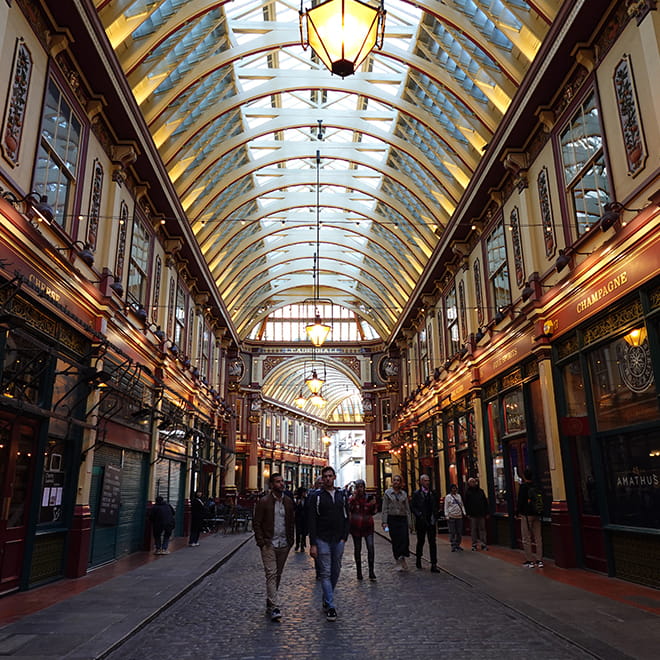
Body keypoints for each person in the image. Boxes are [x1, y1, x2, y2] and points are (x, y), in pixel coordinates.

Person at [308, 466, 349, 622]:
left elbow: (347, 517)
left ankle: (326, 597)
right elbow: (312, 520)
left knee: (336, 570)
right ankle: (331, 606)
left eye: (330, 476)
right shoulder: (316, 497)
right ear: (322, 479)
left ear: (334, 477)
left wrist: (344, 536)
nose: (327, 479)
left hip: (338, 539)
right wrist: (313, 543)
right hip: (322, 538)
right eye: (325, 476)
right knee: (325, 572)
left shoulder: (341, 495)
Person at [253, 473, 295, 622]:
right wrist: (261, 542)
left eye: (282, 481)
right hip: (269, 544)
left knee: (277, 575)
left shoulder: (289, 502)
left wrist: (291, 541)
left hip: (284, 544)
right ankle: (275, 607)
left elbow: (291, 522)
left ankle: (271, 601)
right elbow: (256, 523)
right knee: (271, 574)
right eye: (278, 482)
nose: (281, 484)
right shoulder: (264, 502)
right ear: (271, 485)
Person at [381, 474, 413, 571]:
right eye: (394, 480)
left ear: (400, 482)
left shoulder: (404, 494)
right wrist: (384, 522)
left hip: (402, 518)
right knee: (395, 540)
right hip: (392, 519)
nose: (396, 482)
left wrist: (410, 523)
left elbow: (407, 509)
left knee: (404, 539)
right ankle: (398, 559)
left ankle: (402, 557)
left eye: (398, 480)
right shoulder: (388, 493)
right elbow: (385, 508)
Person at [348, 479, 377, 581]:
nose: (360, 489)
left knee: (370, 547)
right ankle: (359, 572)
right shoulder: (353, 499)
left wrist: (373, 505)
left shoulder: (368, 498)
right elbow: (349, 509)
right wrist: (352, 499)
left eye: (361, 487)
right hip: (356, 527)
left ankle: (371, 571)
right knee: (357, 548)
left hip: (368, 526)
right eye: (358, 487)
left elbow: (374, 512)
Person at [411, 474, 440, 572]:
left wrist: (435, 515)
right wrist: (418, 515)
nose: (427, 482)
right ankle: (418, 558)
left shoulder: (433, 493)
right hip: (421, 521)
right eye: (425, 481)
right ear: (421, 482)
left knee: (432, 542)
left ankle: (434, 564)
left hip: (431, 521)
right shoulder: (417, 494)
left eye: (428, 480)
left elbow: (436, 505)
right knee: (421, 541)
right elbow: (413, 507)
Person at [517, 467, 544, 567]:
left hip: (527, 515)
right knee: (538, 537)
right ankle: (539, 559)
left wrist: (518, 511)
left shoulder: (523, 487)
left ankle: (529, 560)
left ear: (524, 476)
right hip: (537, 514)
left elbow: (520, 501)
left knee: (526, 537)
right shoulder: (537, 486)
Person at [464, 477, 489, 551]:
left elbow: (485, 502)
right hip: (472, 514)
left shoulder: (481, 491)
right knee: (474, 530)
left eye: (474, 482)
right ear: (469, 484)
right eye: (471, 482)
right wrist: (468, 513)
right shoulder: (468, 493)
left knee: (482, 529)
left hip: (481, 513)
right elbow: (466, 504)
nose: (473, 483)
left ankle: (483, 544)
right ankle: (474, 544)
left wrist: (486, 512)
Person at [444, 484, 466, 552]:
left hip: (459, 516)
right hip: (451, 516)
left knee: (459, 532)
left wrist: (464, 512)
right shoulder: (448, 497)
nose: (454, 490)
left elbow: (461, 504)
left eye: (455, 488)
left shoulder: (459, 496)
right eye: (453, 488)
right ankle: (453, 545)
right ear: (451, 489)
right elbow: (446, 506)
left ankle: (458, 544)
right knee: (452, 531)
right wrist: (446, 515)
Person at [294, 487, 308, 552]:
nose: (305, 493)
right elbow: (294, 508)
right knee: (298, 532)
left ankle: (302, 545)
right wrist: (297, 504)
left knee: (304, 532)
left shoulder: (307, 499)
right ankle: (297, 544)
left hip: (305, 518)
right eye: (304, 492)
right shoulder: (297, 499)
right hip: (298, 518)